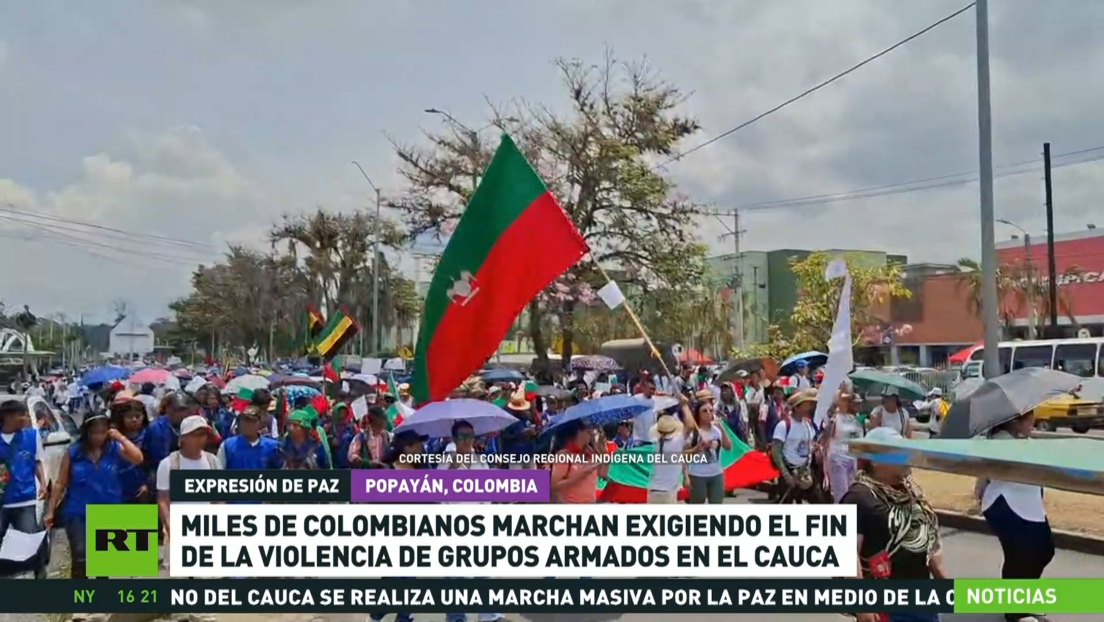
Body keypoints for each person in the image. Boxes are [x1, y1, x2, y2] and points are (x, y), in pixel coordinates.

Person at [844, 427, 944, 622]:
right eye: (898, 451)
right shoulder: (858, 497)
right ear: (875, 460)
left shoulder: (911, 494)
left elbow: (928, 542)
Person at [45, 412, 143, 579]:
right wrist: (51, 510)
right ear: (87, 432)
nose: (99, 437)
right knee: (80, 555)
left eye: (103, 432)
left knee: (102, 559)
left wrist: (120, 438)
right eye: (94, 432)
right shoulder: (74, 452)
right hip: (78, 511)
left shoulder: (114, 449)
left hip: (108, 509)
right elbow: (60, 483)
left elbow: (138, 458)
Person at [981, 411, 1054, 622]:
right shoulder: (1000, 442)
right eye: (1030, 417)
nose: (1034, 421)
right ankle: (1015, 612)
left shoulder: (1017, 441)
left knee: (1043, 550)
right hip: (1005, 504)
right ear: (1015, 420)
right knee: (1020, 555)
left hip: (1027, 504)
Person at [0, 400, 48, 578]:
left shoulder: (31, 436)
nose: (26, 418)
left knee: (30, 539)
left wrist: (42, 483)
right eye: (23, 415)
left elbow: (36, 461)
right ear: (8, 417)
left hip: (24, 497)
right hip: (2, 500)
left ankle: (39, 572)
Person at [156, 415, 221, 544]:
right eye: (194, 435)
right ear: (183, 438)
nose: (199, 439)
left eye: (203, 435)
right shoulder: (169, 464)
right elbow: (163, 500)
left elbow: (218, 499)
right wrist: (169, 526)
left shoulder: (212, 461)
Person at [646, 394, 696, 504]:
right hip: (668, 491)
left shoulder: (656, 442)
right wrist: (685, 406)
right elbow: (690, 425)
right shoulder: (676, 443)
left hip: (653, 490)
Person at [771, 389, 817, 504]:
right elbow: (776, 451)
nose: (809, 407)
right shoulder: (784, 425)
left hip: (803, 471)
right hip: (789, 470)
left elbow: (811, 446)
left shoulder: (808, 424)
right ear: (796, 408)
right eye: (806, 405)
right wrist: (786, 474)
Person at [550, 419, 608, 503]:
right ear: (577, 432)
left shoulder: (591, 452)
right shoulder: (564, 455)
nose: (590, 433)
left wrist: (604, 454)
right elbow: (553, 486)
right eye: (586, 429)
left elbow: (603, 474)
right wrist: (580, 475)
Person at [822, 386, 864, 503]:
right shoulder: (835, 418)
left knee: (851, 493)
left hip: (853, 460)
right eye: (854, 403)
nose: (857, 406)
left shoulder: (858, 420)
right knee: (841, 494)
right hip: (838, 459)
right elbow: (826, 438)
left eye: (858, 404)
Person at [686, 398, 731, 504]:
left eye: (711, 410)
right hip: (698, 475)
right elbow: (683, 455)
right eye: (704, 411)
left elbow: (728, 446)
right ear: (698, 413)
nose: (708, 413)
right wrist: (697, 448)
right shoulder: (694, 432)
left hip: (716, 474)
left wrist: (721, 428)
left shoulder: (717, 430)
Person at [109, 392, 152, 503]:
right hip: (116, 487)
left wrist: (148, 483)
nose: (134, 419)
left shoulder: (149, 434)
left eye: (137, 416)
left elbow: (154, 462)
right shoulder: (112, 434)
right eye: (129, 417)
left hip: (141, 488)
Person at [217, 406, 283, 470]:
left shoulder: (272, 447)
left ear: (259, 424)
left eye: (252, 422)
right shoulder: (227, 445)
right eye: (245, 421)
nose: (247, 425)